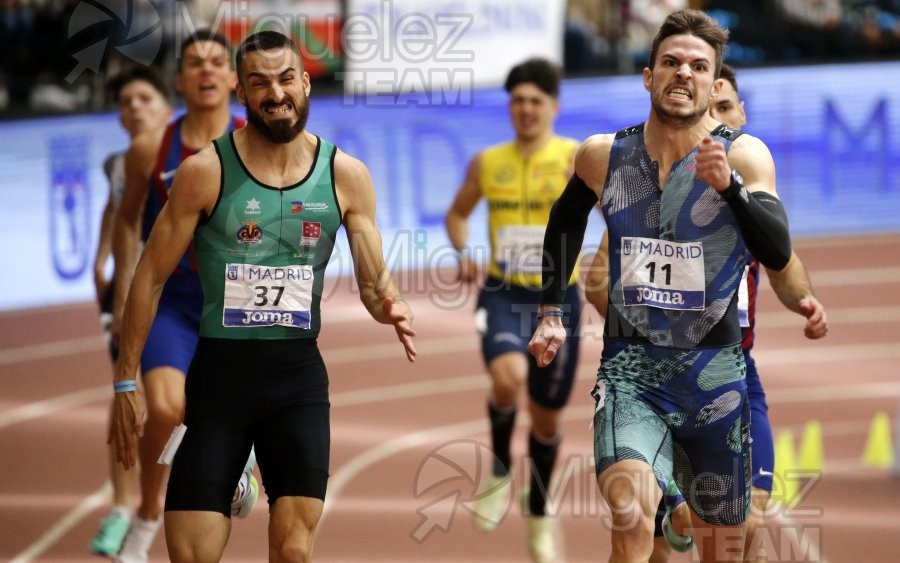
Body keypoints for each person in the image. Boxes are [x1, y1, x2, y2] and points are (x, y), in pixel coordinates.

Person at [110, 29, 416, 562]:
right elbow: (150, 275)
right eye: (259, 83)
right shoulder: (204, 172)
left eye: (285, 79)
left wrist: (390, 305)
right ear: (242, 93)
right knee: (189, 555)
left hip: (296, 382)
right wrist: (125, 379)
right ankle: (230, 473)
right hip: (218, 383)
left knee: (294, 552)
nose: (275, 93)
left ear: (305, 83)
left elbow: (374, 282)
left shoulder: (346, 176)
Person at [529, 9, 799, 561]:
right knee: (630, 514)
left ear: (713, 80)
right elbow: (563, 222)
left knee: (722, 545)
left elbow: (777, 251)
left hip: (716, 378)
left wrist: (731, 190)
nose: (684, 73)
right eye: (670, 62)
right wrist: (550, 310)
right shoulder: (603, 156)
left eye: (698, 66)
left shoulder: (745, 156)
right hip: (631, 371)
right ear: (648, 76)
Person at [583, 63, 830, 562]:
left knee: (744, 528)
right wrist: (653, 331)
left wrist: (804, 299)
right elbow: (596, 282)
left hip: (731, 374)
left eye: (723, 110)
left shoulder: (749, 189)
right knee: (648, 539)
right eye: (704, 111)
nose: (711, 122)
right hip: (651, 376)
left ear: (740, 115)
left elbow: (785, 267)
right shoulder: (650, 194)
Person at [109, 29, 255, 563]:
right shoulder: (151, 148)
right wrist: (123, 291)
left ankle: (233, 464)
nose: (207, 71)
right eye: (195, 63)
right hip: (172, 298)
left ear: (234, 80)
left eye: (218, 63)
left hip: (235, 301)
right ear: (180, 79)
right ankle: (150, 511)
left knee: (211, 407)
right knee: (167, 405)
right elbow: (126, 227)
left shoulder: (255, 141)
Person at [445, 58, 581, 563]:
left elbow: (616, 214)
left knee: (546, 421)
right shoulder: (488, 162)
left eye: (536, 101)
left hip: (558, 298)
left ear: (553, 107)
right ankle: (501, 470)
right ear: (510, 107)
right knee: (506, 377)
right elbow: (458, 213)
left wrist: (605, 262)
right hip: (503, 290)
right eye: (518, 100)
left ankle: (540, 512)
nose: (526, 109)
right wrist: (463, 252)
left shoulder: (576, 159)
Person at [89, 65, 172, 557]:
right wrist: (101, 260)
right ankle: (123, 506)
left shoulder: (185, 154)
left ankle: (156, 501)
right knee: (125, 393)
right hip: (125, 292)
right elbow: (116, 209)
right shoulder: (118, 162)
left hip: (173, 290)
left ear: (167, 105)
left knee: (174, 397)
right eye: (125, 102)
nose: (134, 107)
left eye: (144, 98)